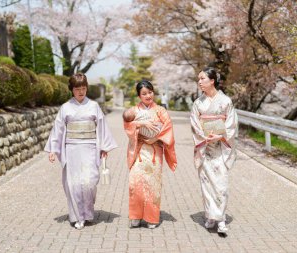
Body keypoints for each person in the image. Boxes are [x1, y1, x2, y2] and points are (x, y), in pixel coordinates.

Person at [44, 73, 118, 230]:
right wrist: (53, 149)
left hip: (90, 147)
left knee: (89, 182)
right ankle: (78, 216)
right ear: (72, 89)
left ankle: (88, 213)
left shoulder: (93, 106)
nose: (81, 92)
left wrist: (104, 147)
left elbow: (102, 127)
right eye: (77, 89)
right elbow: (58, 129)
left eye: (83, 88)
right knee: (74, 183)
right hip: (72, 149)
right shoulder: (65, 108)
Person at [123, 80, 177, 229]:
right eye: (144, 93)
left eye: (150, 92)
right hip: (139, 150)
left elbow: (168, 127)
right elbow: (127, 125)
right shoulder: (134, 111)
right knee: (135, 183)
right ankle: (135, 216)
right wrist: (141, 124)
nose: (148, 96)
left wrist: (156, 137)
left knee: (153, 183)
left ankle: (152, 217)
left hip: (155, 150)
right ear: (139, 96)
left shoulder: (160, 110)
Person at [190, 67, 237, 235]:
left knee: (221, 184)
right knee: (206, 184)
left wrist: (220, 137)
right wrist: (204, 137)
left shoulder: (226, 101)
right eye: (199, 79)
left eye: (202, 78)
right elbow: (195, 124)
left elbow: (231, 125)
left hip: (220, 147)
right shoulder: (198, 103)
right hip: (204, 147)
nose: (199, 82)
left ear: (212, 80)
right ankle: (210, 216)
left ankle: (221, 219)